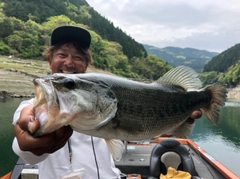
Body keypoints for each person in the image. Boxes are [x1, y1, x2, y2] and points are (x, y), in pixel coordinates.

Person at [12, 25, 202, 179]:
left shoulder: (104, 98)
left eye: (78, 57)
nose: (69, 63)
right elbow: (27, 151)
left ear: (86, 64)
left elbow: (139, 131)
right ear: (49, 59)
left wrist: (177, 122)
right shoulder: (31, 109)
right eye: (62, 55)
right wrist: (29, 141)